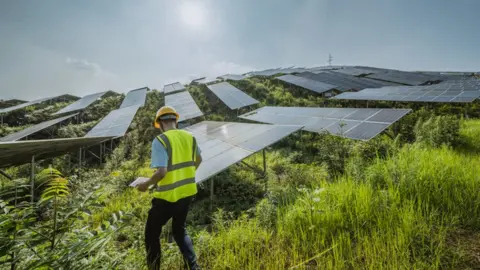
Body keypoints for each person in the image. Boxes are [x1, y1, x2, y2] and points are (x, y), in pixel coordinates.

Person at [137, 106, 202, 270]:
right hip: (187, 193)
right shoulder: (190, 137)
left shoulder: (160, 141)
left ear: (159, 123)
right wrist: (185, 175)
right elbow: (199, 159)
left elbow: (161, 172)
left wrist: (146, 184)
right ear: (176, 120)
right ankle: (194, 267)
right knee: (179, 230)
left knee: (151, 234)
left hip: (166, 198)